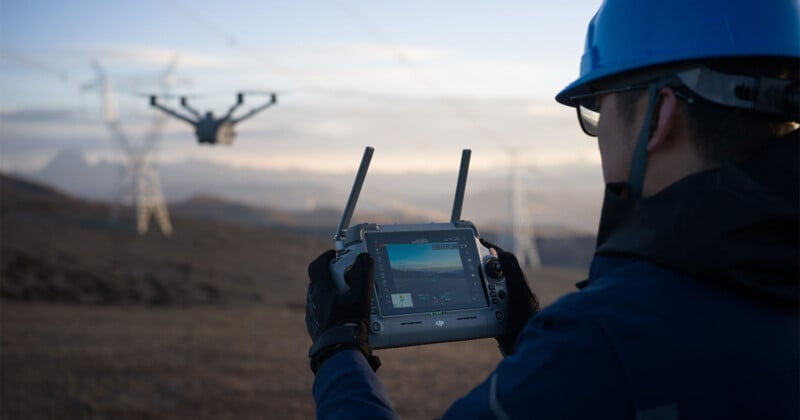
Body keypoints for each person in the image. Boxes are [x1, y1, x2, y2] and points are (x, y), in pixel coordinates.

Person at [305, 0, 800, 418]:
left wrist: (339, 351)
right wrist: (528, 337)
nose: (600, 135)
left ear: (658, 116)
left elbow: (617, 370)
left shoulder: (602, 342)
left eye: (599, 109)